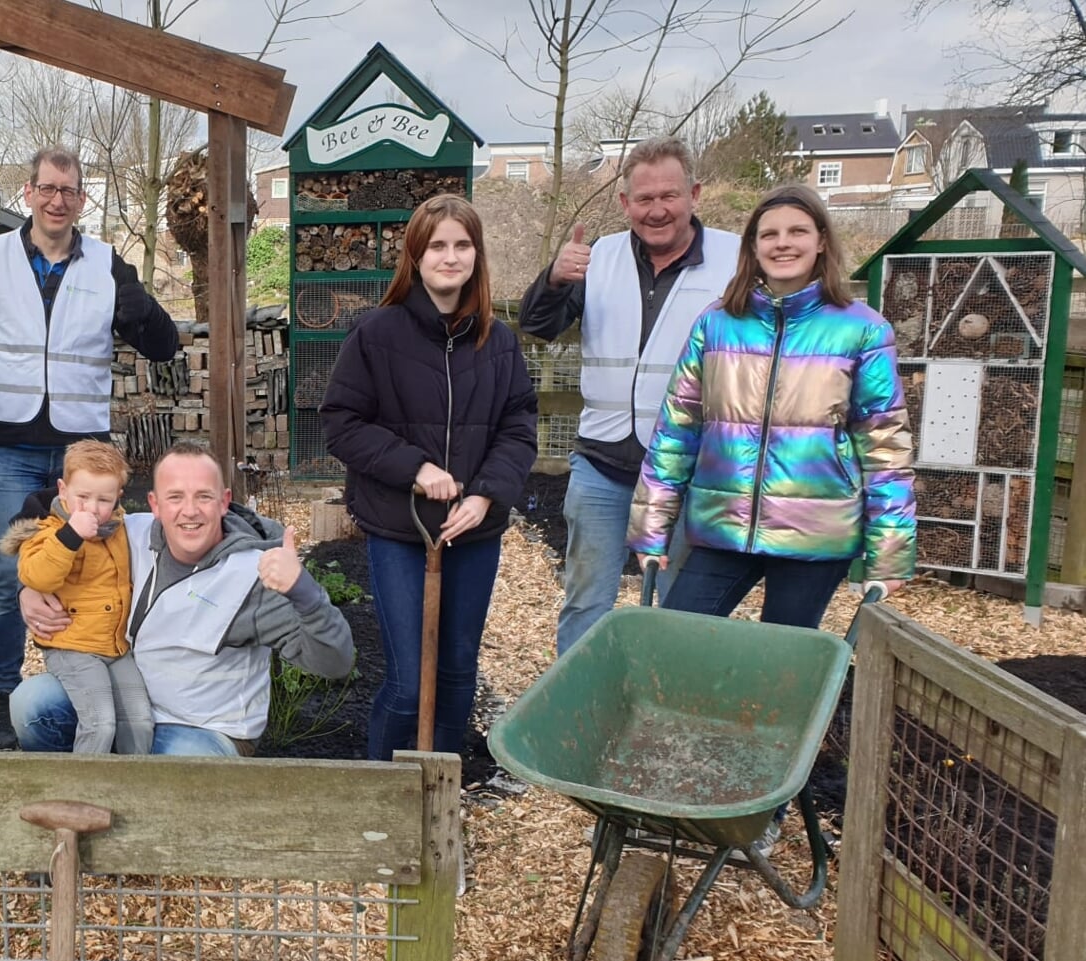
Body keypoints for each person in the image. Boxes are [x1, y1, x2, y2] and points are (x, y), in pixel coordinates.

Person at [627, 183, 916, 853]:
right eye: (768, 234)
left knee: (784, 681)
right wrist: (650, 528)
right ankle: (682, 778)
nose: (782, 243)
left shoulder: (859, 329)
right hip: (723, 526)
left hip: (814, 537)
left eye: (796, 231)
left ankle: (761, 809)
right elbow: (675, 431)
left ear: (820, 243)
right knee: (678, 645)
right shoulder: (717, 325)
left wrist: (889, 554)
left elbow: (884, 444)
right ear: (751, 249)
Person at [0, 144, 179, 751]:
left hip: (83, 452)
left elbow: (162, 346)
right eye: (48, 189)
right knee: (9, 575)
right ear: (28, 194)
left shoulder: (108, 265)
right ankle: (1, 705)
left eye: (70, 191)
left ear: (83, 200)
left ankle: (89, 691)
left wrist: (144, 310)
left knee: (95, 572)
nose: (58, 200)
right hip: (10, 443)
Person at [320, 194, 539, 762]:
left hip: (472, 531)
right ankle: (380, 790)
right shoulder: (376, 335)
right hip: (401, 528)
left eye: (462, 245)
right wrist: (413, 468)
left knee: (458, 670)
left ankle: (438, 791)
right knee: (409, 677)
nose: (450, 256)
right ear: (415, 257)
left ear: (477, 254)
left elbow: (519, 426)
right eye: (437, 245)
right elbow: (342, 424)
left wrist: (487, 493)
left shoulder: (500, 342)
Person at [518, 137, 742, 655]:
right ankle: (575, 707)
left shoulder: (736, 260)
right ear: (625, 203)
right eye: (644, 199)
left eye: (670, 195)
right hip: (603, 464)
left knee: (680, 606)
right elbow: (537, 325)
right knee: (585, 598)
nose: (657, 209)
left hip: (694, 471)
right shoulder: (600, 257)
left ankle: (662, 704)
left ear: (695, 194)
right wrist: (554, 278)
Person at [9, 441, 354, 757]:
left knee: (181, 767)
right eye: (175, 497)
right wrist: (27, 589)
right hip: (126, 701)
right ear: (154, 504)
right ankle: (83, 790)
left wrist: (304, 592)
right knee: (32, 705)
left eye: (203, 496)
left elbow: (335, 662)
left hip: (201, 731)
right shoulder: (130, 533)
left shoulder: (254, 577)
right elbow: (51, 510)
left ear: (224, 501)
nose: (189, 511)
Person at [3, 439, 152, 754]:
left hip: (115, 646)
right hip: (73, 647)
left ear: (118, 498)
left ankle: (137, 786)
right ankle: (82, 792)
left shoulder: (119, 528)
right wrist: (69, 535)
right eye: (83, 497)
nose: (93, 508)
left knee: (139, 719)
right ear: (62, 489)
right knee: (100, 721)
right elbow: (37, 575)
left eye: (104, 499)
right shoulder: (46, 530)